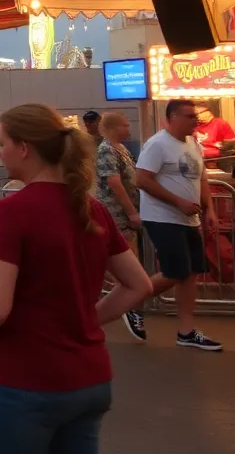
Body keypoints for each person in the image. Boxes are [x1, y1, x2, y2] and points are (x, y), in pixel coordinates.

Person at [0, 103, 152, 453]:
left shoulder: (11, 212)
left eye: (2, 143)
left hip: (29, 380)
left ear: (24, 148)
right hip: (90, 377)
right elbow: (139, 284)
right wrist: (87, 319)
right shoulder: (90, 208)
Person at [129, 98, 222, 350]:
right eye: (190, 116)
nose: (196, 120)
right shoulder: (157, 145)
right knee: (175, 271)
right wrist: (177, 201)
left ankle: (186, 331)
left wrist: (209, 209)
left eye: (196, 116)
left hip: (188, 219)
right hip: (162, 217)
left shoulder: (192, 143)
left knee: (190, 272)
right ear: (171, 118)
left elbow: (201, 179)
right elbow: (142, 179)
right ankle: (131, 302)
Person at [94, 111, 144, 339]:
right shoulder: (107, 149)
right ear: (114, 127)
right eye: (125, 125)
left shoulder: (120, 149)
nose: (129, 129)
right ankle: (129, 306)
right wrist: (131, 211)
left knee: (124, 259)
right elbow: (114, 182)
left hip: (122, 215)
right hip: (116, 215)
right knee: (125, 261)